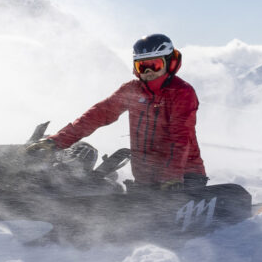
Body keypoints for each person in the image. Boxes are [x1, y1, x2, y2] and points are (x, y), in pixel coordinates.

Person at [31, 33, 207, 190]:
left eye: (154, 65)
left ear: (168, 63)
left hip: (183, 178)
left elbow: (180, 137)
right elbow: (97, 115)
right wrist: (56, 142)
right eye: (141, 66)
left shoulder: (182, 92)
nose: (148, 72)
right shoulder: (132, 90)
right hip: (146, 180)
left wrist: (172, 176)